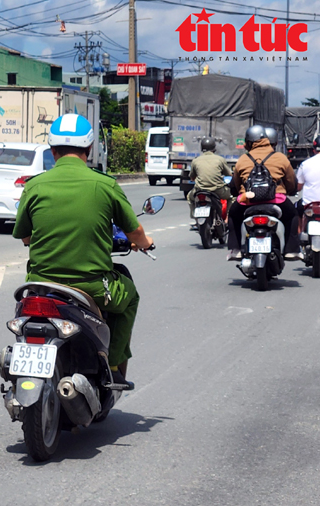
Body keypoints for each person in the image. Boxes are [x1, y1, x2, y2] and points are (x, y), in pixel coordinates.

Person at [12, 114, 154, 387]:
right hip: (93, 286)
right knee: (130, 296)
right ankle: (112, 364)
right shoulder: (105, 184)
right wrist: (145, 243)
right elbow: (134, 231)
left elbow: (25, 237)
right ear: (89, 150)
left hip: (40, 285)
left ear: (52, 151)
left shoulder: (34, 185)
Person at [226, 125, 300, 261]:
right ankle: (291, 250)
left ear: (249, 142)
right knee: (293, 216)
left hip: (248, 201)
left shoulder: (243, 159)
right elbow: (290, 181)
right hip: (276, 200)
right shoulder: (280, 157)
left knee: (233, 215)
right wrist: (289, 191)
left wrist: (240, 194)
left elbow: (236, 184)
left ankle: (235, 249)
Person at [187, 137, 234, 219]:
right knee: (232, 197)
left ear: (202, 148)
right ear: (214, 148)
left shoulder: (196, 160)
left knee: (189, 197)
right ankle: (228, 217)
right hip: (218, 190)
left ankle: (194, 217)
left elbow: (192, 177)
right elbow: (229, 174)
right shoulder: (220, 160)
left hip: (200, 190)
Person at [296, 135, 320, 215]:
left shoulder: (305, 164)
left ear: (313, 150)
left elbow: (298, 187)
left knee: (297, 209)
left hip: (309, 206)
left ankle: (300, 227)